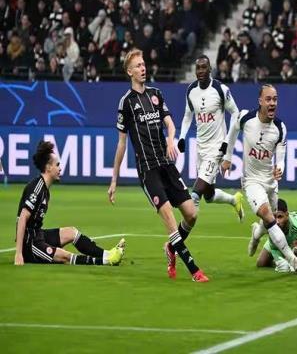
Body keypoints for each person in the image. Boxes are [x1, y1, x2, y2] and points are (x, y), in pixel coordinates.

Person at [108, 48, 208, 282]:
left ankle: (171, 248)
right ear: (129, 71)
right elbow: (121, 143)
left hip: (166, 164)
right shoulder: (126, 103)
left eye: (144, 64)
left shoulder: (156, 94)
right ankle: (194, 271)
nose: (143, 68)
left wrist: (171, 139)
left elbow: (170, 124)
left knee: (191, 214)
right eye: (138, 66)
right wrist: (114, 180)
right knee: (170, 220)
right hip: (148, 170)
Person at [221, 84, 297, 271]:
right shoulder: (246, 118)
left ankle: (256, 235)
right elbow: (232, 132)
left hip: (270, 182)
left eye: (275, 99)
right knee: (268, 215)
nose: (272, 103)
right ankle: (293, 260)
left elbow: (280, 158)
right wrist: (227, 158)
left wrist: (279, 169)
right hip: (251, 181)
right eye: (268, 99)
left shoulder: (280, 128)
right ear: (260, 101)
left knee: (268, 222)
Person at [15, 140, 125, 266]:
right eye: (57, 165)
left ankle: (108, 254)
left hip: (38, 234)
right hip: (29, 243)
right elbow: (22, 218)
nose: (60, 168)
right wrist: (18, 253)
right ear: (48, 167)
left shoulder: (45, 189)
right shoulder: (37, 188)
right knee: (65, 256)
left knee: (71, 232)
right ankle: (107, 261)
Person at [177, 55, 244, 221]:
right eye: (198, 68)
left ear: (210, 69)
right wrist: (182, 137)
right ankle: (234, 200)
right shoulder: (191, 90)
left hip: (217, 147)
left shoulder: (221, 89)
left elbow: (235, 113)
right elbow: (187, 115)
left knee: (195, 194)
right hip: (201, 147)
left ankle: (180, 235)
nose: (200, 71)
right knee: (209, 195)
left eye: (203, 67)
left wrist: (227, 142)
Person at [256, 199, 297, 272]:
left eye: (280, 217)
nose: (276, 222)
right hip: (286, 235)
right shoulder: (272, 225)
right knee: (261, 262)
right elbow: (274, 248)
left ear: (287, 215)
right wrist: (281, 263)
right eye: (274, 217)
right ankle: (292, 256)